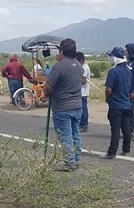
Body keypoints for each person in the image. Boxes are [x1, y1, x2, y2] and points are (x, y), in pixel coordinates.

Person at [42, 38, 84, 171]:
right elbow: (82, 81)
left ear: (62, 51)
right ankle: (76, 159)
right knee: (75, 133)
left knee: (65, 135)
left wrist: (47, 95)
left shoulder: (59, 66)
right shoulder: (78, 65)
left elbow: (48, 86)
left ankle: (70, 162)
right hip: (77, 105)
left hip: (62, 106)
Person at [99, 47, 132, 160]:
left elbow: (109, 89)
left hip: (116, 105)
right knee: (126, 128)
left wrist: (107, 98)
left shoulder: (113, 72)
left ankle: (112, 152)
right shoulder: (128, 70)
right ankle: (126, 149)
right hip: (127, 104)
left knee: (115, 130)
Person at [74, 51, 91, 132]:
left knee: (83, 108)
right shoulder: (81, 67)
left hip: (83, 91)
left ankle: (84, 124)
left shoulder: (84, 68)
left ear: (81, 60)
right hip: (80, 91)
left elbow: (83, 81)